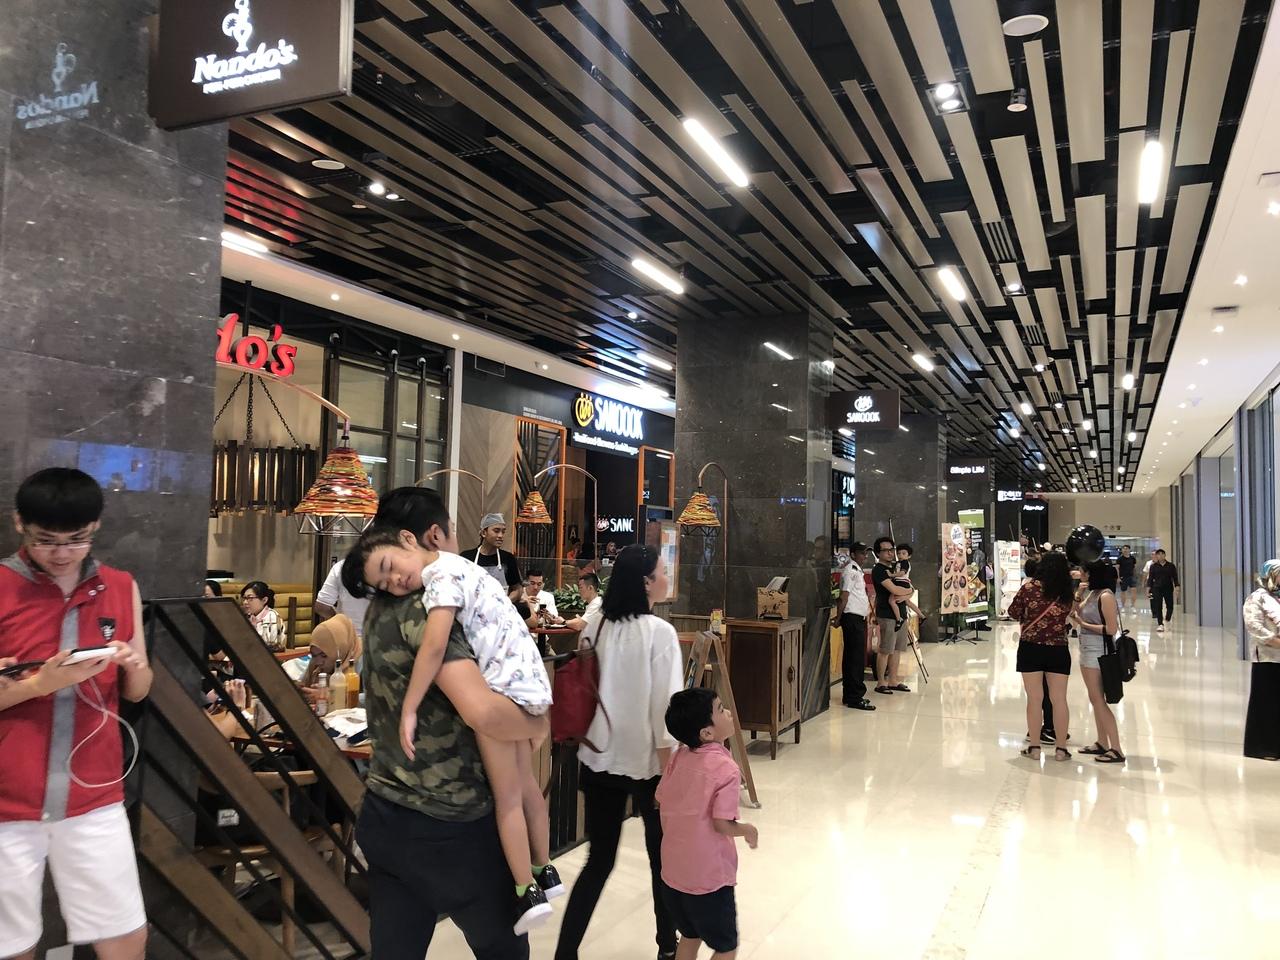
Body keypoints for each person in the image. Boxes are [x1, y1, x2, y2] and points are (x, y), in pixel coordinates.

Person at [340, 486, 547, 958]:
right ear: (434, 535)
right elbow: (482, 711)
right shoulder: (428, 608)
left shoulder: (380, 609)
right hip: (450, 824)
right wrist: (538, 723)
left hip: (385, 811)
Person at [0, 468, 153, 960]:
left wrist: (133, 666)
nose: (62, 553)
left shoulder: (120, 585)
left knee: (125, 934)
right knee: (11, 943)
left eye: (77, 539)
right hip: (7, 798)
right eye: (46, 540)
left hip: (94, 793)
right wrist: (38, 685)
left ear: (96, 527)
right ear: (20, 524)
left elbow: (139, 690)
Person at [554, 544, 683, 960]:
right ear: (646, 582)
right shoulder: (660, 634)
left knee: (598, 861)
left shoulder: (595, 627)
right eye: (662, 572)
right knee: (662, 861)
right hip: (649, 764)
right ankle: (667, 948)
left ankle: (565, 952)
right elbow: (665, 713)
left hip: (598, 757)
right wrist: (670, 778)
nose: (666, 578)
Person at [656, 688, 757, 960]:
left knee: (689, 937)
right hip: (709, 881)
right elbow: (722, 824)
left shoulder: (678, 757)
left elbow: (661, 798)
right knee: (726, 947)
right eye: (721, 709)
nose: (729, 713)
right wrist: (748, 830)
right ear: (707, 733)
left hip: (673, 875)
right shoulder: (726, 769)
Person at [1009, 551, 1075, 762]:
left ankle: (1035, 748)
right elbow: (1068, 615)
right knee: (1059, 699)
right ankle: (1061, 749)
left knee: (1035, 699)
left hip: (1031, 647)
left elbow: (1013, 611)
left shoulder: (1029, 588)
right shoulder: (1066, 592)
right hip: (1058, 648)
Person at [1071, 561, 1125, 763]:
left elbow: (1111, 629)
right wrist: (1078, 594)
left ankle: (1116, 748)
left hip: (1099, 650)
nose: (1080, 574)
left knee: (1098, 700)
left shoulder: (1106, 596)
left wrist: (1083, 624)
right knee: (1095, 698)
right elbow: (1074, 612)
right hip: (1087, 648)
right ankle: (1102, 741)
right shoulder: (1092, 593)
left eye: (1082, 572)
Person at [1243, 559, 1280, 760]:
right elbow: (1254, 626)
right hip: (1266, 657)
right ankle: (1263, 747)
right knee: (1266, 702)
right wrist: (1275, 641)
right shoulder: (1257, 597)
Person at [831, 543, 874, 711]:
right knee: (854, 659)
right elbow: (844, 596)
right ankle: (854, 697)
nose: (865, 556)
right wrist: (839, 618)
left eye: (866, 553)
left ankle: (851, 694)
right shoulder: (850, 571)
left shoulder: (857, 570)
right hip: (852, 618)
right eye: (862, 553)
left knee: (854, 658)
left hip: (858, 618)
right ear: (853, 554)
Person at [870, 537, 914, 695]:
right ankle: (881, 682)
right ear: (878, 553)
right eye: (886, 550)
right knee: (886, 649)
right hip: (887, 614)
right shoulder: (879, 570)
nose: (890, 553)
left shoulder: (897, 567)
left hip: (901, 613)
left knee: (897, 649)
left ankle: (893, 680)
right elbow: (894, 590)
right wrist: (909, 591)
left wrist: (909, 592)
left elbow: (908, 586)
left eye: (892, 550)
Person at [315, 557, 373, 642]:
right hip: (378, 639)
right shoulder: (389, 569)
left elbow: (322, 606)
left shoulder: (340, 567)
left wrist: (339, 621)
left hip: (345, 638)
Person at [473, 513, 524, 602]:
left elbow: (517, 589)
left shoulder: (508, 558)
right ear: (484, 533)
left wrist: (504, 602)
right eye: (496, 531)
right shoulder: (467, 557)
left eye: (503, 532)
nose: (500, 535)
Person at [240, 580, 285, 651]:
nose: (245, 602)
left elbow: (271, 645)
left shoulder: (272, 617)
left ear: (264, 600)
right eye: (244, 598)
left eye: (250, 598)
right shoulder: (248, 616)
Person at [891, 543, 926, 629]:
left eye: (903, 553)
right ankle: (922, 615)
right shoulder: (899, 563)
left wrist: (891, 575)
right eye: (899, 553)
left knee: (892, 601)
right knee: (907, 602)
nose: (900, 555)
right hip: (904, 583)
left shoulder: (905, 563)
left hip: (901, 583)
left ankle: (898, 619)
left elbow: (902, 573)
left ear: (909, 556)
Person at [1147, 549, 1180, 632]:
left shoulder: (1171, 566)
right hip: (1157, 588)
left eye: (1162, 554)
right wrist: (1148, 589)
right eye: (1158, 554)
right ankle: (1160, 624)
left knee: (1170, 606)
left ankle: (1167, 618)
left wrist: (1177, 586)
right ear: (1156, 556)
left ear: (1165, 555)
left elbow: (1175, 577)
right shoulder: (1153, 566)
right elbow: (1150, 579)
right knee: (1158, 606)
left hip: (1168, 588)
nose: (1160, 556)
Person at [1116, 546, 1138, 612]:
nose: (1125, 550)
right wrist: (1118, 577)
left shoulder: (1132, 558)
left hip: (1131, 576)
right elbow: (1117, 569)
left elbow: (1134, 568)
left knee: (1134, 590)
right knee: (1123, 591)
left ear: (1129, 550)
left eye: (1127, 549)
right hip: (1123, 577)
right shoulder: (1120, 559)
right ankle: (1123, 606)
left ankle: (1133, 606)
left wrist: (1135, 575)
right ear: (1122, 550)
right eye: (1124, 549)